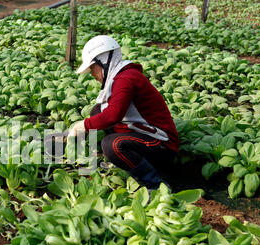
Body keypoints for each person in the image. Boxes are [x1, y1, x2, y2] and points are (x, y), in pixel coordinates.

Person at [68, 35, 179, 190]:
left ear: (104, 62)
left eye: (93, 68)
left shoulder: (126, 78)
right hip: (145, 135)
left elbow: (114, 115)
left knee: (112, 145)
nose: (92, 74)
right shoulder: (120, 77)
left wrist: (84, 125)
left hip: (161, 145)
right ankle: (121, 162)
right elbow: (107, 113)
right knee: (97, 111)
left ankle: (155, 185)